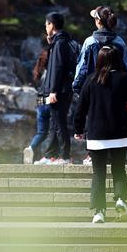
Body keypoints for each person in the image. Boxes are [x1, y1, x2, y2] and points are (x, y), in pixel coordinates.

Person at [73, 45, 127, 224]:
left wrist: (78, 129)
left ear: (99, 59)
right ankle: (120, 199)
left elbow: (80, 109)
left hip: (96, 135)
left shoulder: (90, 80)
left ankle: (99, 212)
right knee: (119, 169)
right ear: (118, 59)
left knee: (98, 173)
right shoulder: (124, 78)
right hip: (119, 134)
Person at [40, 12, 75, 164]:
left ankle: (65, 156)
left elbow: (58, 68)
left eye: (46, 24)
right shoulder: (59, 42)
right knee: (54, 123)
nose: (45, 27)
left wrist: (53, 90)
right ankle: (49, 155)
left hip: (59, 91)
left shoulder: (60, 43)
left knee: (60, 124)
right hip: (59, 89)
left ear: (52, 25)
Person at [72, 6, 127, 94]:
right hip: (115, 91)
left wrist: (76, 86)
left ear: (98, 21)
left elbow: (82, 67)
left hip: (93, 90)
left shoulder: (90, 42)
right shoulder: (120, 42)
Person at [27, 37, 53, 163]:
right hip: (49, 100)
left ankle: (31, 148)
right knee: (54, 129)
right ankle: (50, 155)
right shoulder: (52, 73)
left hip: (39, 102)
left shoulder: (39, 72)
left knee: (41, 132)